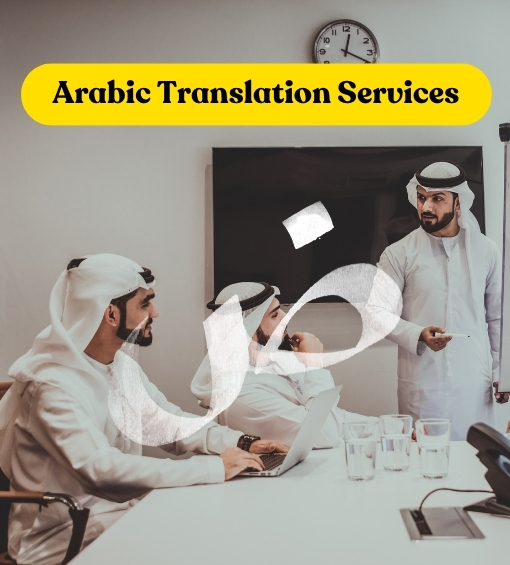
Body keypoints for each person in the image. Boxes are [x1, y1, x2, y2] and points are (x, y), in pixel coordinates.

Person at [0, 254, 287, 565]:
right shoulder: (52, 385)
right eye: (145, 303)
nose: (155, 312)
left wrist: (241, 442)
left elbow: (169, 424)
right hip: (59, 538)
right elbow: (101, 471)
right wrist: (215, 468)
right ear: (111, 314)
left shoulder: (121, 366)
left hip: (117, 517)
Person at [377, 161, 508, 441]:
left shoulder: (487, 251)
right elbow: (376, 314)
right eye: (421, 197)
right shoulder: (398, 253)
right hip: (422, 385)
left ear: (458, 203)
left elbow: (498, 317)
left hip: (474, 384)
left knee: (476, 457)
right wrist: (418, 334)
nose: (426, 206)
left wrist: (503, 372)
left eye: (437, 199)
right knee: (425, 457)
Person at [191, 282, 364, 447]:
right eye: (274, 315)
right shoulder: (238, 393)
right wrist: (313, 364)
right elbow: (324, 433)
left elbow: (336, 419)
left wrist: (378, 425)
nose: (285, 317)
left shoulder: (271, 365)